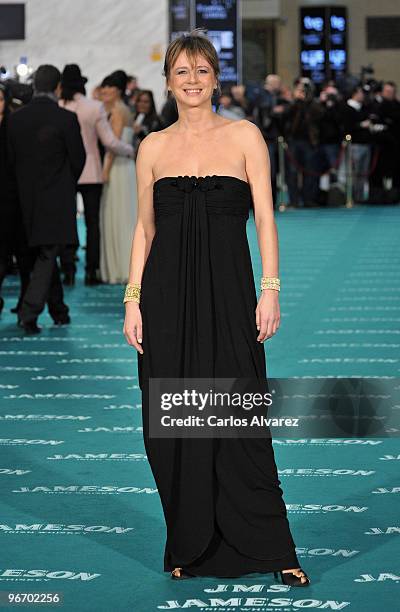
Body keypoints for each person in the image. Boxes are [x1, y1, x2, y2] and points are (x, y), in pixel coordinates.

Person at [123, 29, 310, 586]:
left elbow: (267, 219)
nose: (193, 81)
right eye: (182, 72)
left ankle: (274, 548)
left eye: (202, 70)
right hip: (164, 301)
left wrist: (271, 286)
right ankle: (190, 544)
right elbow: (144, 230)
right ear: (168, 81)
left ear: (216, 77)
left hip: (231, 296)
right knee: (173, 424)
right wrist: (132, 301)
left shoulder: (245, 136)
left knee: (241, 417)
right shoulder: (152, 147)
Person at [7, 65, 86, 334]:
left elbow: (10, 160)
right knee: (47, 254)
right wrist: (64, 184)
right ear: (58, 87)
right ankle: (28, 313)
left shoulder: (16, 119)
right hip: (56, 197)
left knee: (42, 254)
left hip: (23, 198)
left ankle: (59, 311)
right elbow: (78, 159)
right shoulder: (66, 119)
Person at [59, 64, 134, 285]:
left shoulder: (59, 106)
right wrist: (131, 150)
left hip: (66, 173)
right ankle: (92, 270)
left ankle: (68, 267)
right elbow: (109, 142)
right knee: (93, 224)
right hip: (91, 171)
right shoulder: (94, 107)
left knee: (66, 222)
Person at [99, 71, 137, 284]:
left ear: (118, 90)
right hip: (126, 168)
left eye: (109, 87)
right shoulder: (126, 110)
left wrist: (105, 171)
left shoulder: (117, 111)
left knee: (117, 216)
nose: (105, 91)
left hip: (117, 169)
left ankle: (120, 268)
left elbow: (112, 146)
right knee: (126, 216)